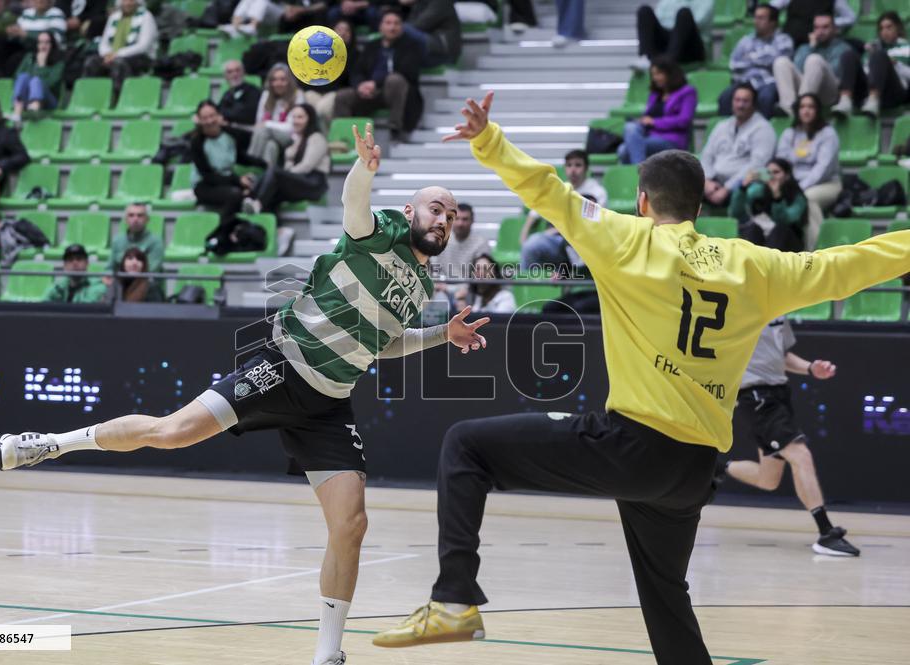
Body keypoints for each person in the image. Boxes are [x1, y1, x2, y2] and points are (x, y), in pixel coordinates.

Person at [372, 91, 909, 662]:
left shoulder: (625, 239)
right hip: (694, 470)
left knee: (466, 446)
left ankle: (454, 599)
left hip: (633, 447)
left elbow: (547, 190)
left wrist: (488, 140)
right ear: (699, 204)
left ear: (643, 200)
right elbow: (845, 264)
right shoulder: (755, 264)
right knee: (666, 599)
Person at [0, 122, 492, 665]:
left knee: (351, 525)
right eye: (435, 209)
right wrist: (363, 169)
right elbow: (355, 206)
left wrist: (442, 334)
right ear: (411, 211)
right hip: (283, 367)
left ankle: (327, 654)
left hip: (329, 403)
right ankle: (52, 443)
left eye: (450, 215)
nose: (443, 220)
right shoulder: (380, 233)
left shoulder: (422, 286)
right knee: (172, 432)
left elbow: (385, 342)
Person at [714, 318, 859, 556]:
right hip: (755, 396)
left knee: (768, 479)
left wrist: (811, 368)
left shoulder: (779, 311)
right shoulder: (738, 311)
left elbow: (782, 356)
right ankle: (826, 533)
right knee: (801, 455)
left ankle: (717, 468)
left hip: (780, 394)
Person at [333, 8, 424, 143]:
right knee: (342, 96)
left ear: (402, 27)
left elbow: (407, 71)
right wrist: (360, 85)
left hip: (397, 93)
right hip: (371, 93)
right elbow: (357, 70)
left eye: (396, 23)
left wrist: (375, 83)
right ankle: (346, 139)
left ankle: (395, 129)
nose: (392, 27)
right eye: (388, 23)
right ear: (380, 26)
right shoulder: (372, 46)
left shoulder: (411, 46)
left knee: (395, 80)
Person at [520, 148, 606, 272]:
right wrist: (524, 234)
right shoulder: (559, 189)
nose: (573, 170)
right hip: (556, 241)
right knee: (530, 246)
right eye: (569, 165)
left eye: (578, 165)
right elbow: (535, 212)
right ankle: (529, 284)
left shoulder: (596, 191)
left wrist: (556, 230)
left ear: (586, 168)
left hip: (580, 241)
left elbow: (596, 222)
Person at [242, 103, 329, 215]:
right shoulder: (296, 140)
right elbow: (289, 165)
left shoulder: (317, 138)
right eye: (294, 117)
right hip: (300, 180)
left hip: (313, 184)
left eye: (300, 117)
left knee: (275, 172)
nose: (295, 121)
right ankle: (259, 210)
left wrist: (286, 174)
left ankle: (256, 202)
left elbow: (307, 166)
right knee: (273, 190)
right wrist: (288, 161)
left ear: (310, 119)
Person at [772, 12, 864, 117]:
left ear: (834, 29)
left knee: (814, 60)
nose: (820, 31)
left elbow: (836, 72)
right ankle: (788, 107)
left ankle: (802, 106)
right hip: (806, 87)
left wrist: (816, 60)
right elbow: (798, 69)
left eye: (825, 27)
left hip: (830, 92)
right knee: (781, 61)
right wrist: (811, 47)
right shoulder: (805, 47)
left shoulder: (843, 48)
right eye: (817, 27)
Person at [701, 83, 776, 207]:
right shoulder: (722, 126)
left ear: (754, 104)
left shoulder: (763, 129)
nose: (740, 105)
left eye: (745, 101)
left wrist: (727, 188)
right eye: (737, 100)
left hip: (740, 185)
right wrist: (707, 181)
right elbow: (706, 156)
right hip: (713, 182)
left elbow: (757, 165)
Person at [190, 101, 261, 231]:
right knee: (235, 194)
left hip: (227, 181)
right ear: (199, 120)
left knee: (256, 187)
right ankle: (221, 231)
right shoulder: (196, 142)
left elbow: (240, 157)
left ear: (219, 116)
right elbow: (208, 176)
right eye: (205, 118)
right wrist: (238, 181)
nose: (209, 121)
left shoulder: (229, 135)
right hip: (205, 185)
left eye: (212, 116)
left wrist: (264, 164)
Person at [718, 3, 794, 119]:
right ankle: (730, 128)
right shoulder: (746, 40)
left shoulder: (784, 40)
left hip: (769, 81)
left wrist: (749, 58)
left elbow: (777, 60)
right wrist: (763, 59)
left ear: (772, 22)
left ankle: (763, 129)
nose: (756, 21)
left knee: (766, 98)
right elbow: (734, 63)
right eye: (756, 17)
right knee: (724, 98)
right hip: (745, 81)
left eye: (761, 18)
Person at [619, 57, 697, 165]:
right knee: (629, 128)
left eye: (659, 73)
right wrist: (643, 121)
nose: (655, 78)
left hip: (671, 139)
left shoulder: (687, 92)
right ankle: (640, 169)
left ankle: (639, 170)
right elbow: (647, 115)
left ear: (670, 73)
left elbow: (684, 120)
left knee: (625, 150)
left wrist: (654, 122)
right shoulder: (655, 94)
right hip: (650, 136)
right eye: (653, 74)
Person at [776, 93, 840, 220]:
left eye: (811, 107)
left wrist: (799, 188)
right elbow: (781, 163)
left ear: (818, 111)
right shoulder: (790, 133)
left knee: (807, 197)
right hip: (794, 183)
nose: (806, 111)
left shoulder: (828, 134)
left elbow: (822, 168)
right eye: (802, 107)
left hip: (826, 183)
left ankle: (815, 233)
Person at [83, 0, 159, 97]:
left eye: (131, 1)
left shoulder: (146, 16)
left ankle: (119, 98)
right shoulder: (114, 17)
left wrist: (117, 54)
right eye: (124, 1)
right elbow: (104, 42)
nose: (127, 3)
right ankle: (93, 97)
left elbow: (143, 46)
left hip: (140, 57)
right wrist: (106, 54)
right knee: (92, 62)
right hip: (113, 56)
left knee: (118, 64)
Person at [729, 157, 808, 251]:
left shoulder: (797, 197)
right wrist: (743, 188)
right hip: (762, 237)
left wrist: (777, 197)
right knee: (753, 229)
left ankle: (768, 260)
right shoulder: (758, 190)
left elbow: (785, 220)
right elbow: (736, 213)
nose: (772, 176)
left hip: (788, 241)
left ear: (787, 175)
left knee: (779, 230)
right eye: (768, 172)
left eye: (776, 172)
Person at [300, 18, 360, 128]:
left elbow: (352, 79)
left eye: (347, 30)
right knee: (310, 105)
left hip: (336, 92)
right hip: (314, 90)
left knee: (322, 109)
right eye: (339, 29)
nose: (343, 33)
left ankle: (328, 136)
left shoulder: (355, 55)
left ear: (351, 35)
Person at [247, 63, 305, 167]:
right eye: (274, 80)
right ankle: (267, 175)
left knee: (264, 130)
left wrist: (267, 124)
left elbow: (291, 127)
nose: (278, 83)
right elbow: (259, 122)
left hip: (291, 138)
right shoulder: (266, 95)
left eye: (283, 79)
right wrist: (266, 125)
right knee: (271, 146)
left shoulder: (297, 95)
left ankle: (250, 165)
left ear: (289, 81)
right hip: (269, 136)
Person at [631, 0, 711, 70]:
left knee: (684, 14)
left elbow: (699, 21)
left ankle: (668, 61)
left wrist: (675, 21)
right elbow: (659, 17)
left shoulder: (706, 1)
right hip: (669, 43)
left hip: (690, 47)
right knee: (644, 11)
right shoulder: (668, 1)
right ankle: (646, 58)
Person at [860, 11, 910, 117]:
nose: (885, 32)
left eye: (889, 27)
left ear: (898, 28)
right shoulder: (873, 48)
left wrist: (896, 65)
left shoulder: (907, 48)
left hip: (895, 92)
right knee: (848, 55)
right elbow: (863, 71)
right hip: (868, 89)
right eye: (881, 28)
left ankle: (873, 100)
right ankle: (848, 101)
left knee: (880, 55)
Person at [12, 31, 65, 117]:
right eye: (40, 42)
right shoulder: (29, 58)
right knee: (23, 76)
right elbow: (16, 78)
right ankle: (17, 112)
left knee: (36, 81)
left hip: (49, 101)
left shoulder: (59, 63)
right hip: (26, 98)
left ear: (52, 45)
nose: (43, 46)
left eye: (47, 42)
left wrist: (41, 66)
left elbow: (51, 84)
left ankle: (35, 107)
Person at [432, 202, 491, 280]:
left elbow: (484, 275)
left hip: (469, 285)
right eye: (457, 219)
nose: (460, 224)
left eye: (465, 219)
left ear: (472, 221)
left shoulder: (481, 243)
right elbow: (433, 269)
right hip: (443, 285)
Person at [770, 0, 856, 51]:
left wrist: (829, 24)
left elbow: (850, 18)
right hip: (788, 44)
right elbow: (770, 10)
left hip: (818, 46)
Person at [400, 0, 463, 68]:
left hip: (442, 51)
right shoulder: (420, 3)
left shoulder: (441, 2)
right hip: (428, 47)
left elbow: (420, 25)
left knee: (400, 29)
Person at [43, 243, 109, 303]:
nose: (75, 263)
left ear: (87, 263)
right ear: (65, 265)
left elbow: (86, 308)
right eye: (70, 260)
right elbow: (43, 304)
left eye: (79, 259)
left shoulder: (97, 285)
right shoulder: (58, 286)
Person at [109, 202, 163, 272]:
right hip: (121, 278)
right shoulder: (117, 241)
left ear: (147, 219)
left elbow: (151, 270)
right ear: (125, 219)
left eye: (140, 215)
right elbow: (109, 268)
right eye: (131, 215)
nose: (135, 219)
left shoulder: (156, 242)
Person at [216, 60, 262, 128]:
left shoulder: (253, 91)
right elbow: (219, 111)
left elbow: (247, 115)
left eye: (237, 70)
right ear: (225, 76)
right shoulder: (227, 93)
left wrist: (225, 116)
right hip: (230, 127)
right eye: (230, 72)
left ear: (244, 72)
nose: (234, 74)